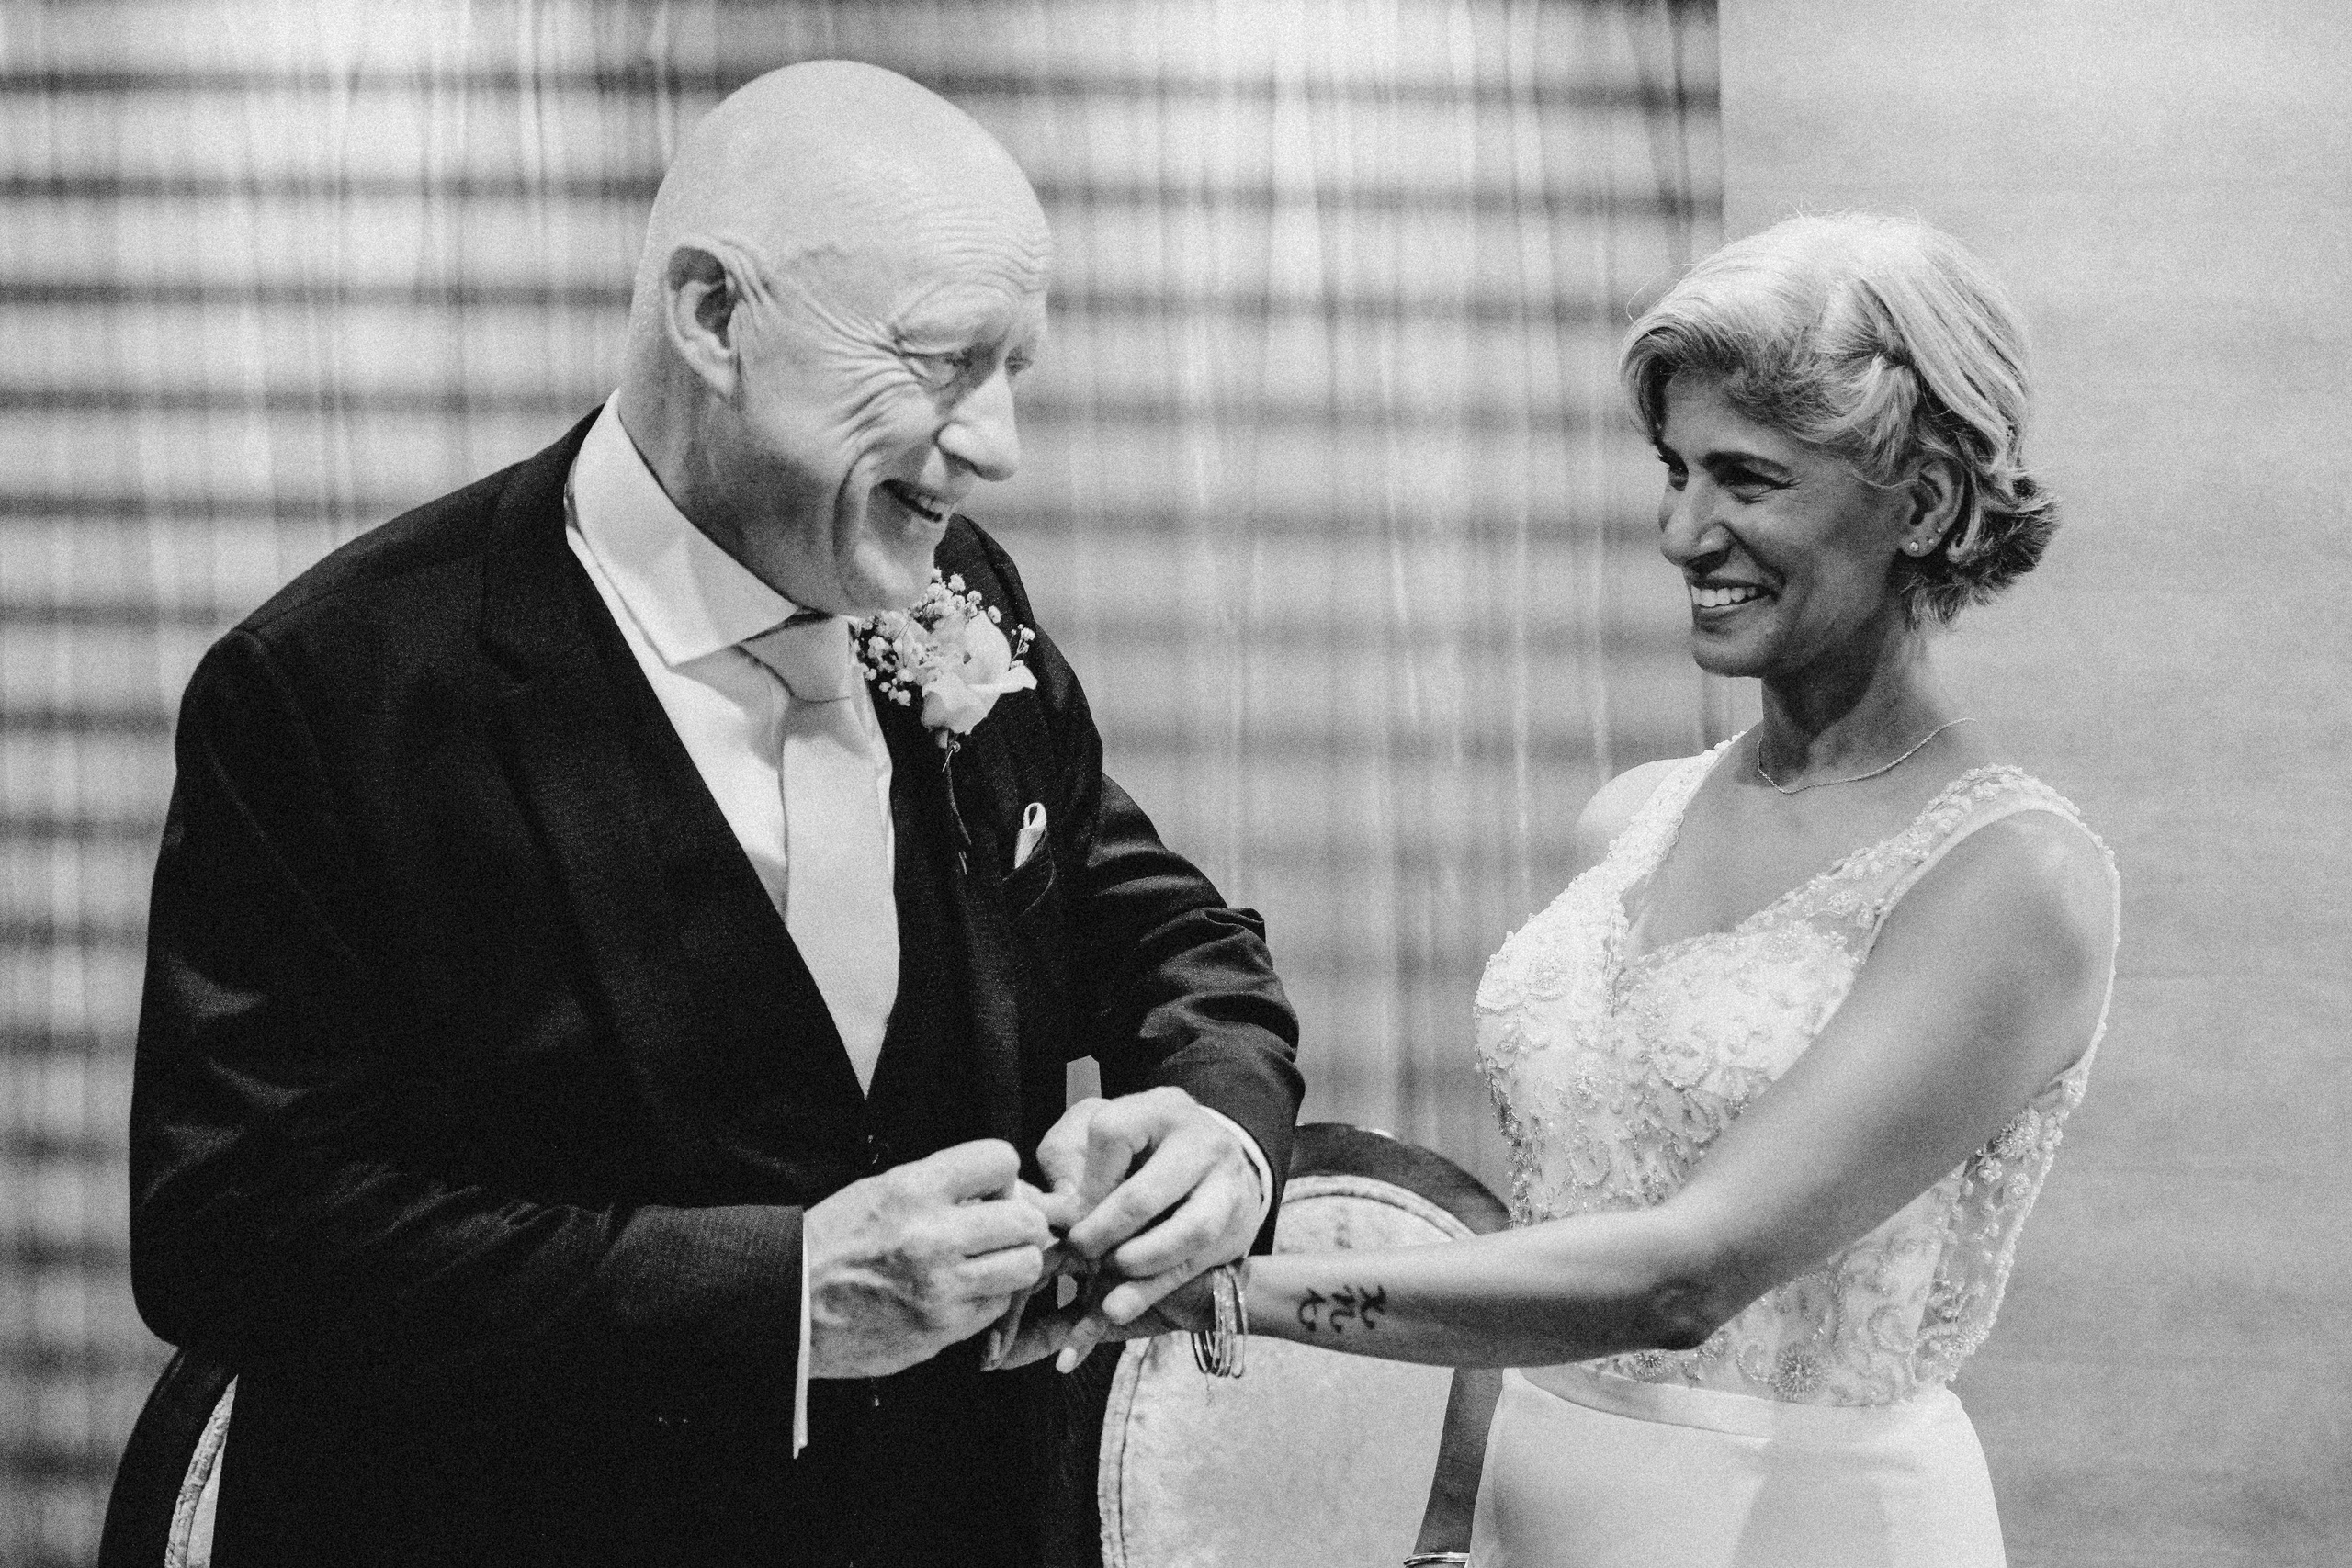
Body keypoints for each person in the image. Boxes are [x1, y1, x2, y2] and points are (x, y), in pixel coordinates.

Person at [127, 61, 1302, 1568]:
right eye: (945, 361)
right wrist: (780, 1297)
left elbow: (1172, 938)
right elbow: (237, 1231)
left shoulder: (955, 595)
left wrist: (1215, 1128)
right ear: (712, 316)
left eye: (1015, 369)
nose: (1000, 442)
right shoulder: (334, 689)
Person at [1021, 213, 2120, 1566]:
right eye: (1675, 470)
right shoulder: (1630, 821)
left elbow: (1680, 1277)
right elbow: (1560, 1237)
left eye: (1748, 479)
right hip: (1534, 1507)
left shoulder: (2013, 879)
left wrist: (1216, 1292)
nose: (1683, 531)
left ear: (1929, 505)